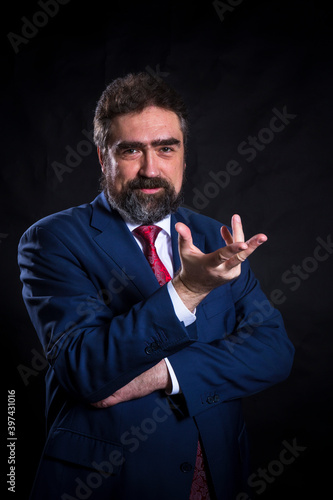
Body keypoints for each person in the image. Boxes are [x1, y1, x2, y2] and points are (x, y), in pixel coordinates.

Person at [18, 72, 294, 500]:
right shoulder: (53, 240)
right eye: (130, 150)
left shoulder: (215, 238)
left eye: (166, 148)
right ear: (102, 157)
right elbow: (86, 370)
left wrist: (166, 374)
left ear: (183, 155)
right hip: (108, 484)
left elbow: (275, 351)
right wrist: (186, 292)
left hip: (219, 477)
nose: (150, 169)